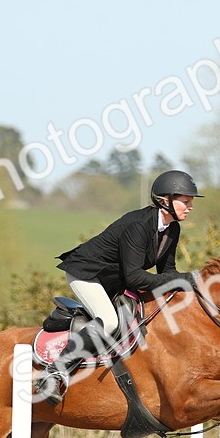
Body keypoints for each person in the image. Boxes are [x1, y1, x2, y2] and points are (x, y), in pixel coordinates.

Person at [37, 169, 203, 405]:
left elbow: (167, 273)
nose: (190, 207)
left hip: (114, 280)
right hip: (87, 274)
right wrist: (185, 279)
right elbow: (135, 278)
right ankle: (54, 373)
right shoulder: (139, 225)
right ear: (165, 201)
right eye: (185, 202)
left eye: (190, 202)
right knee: (109, 321)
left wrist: (196, 284)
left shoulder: (172, 229)